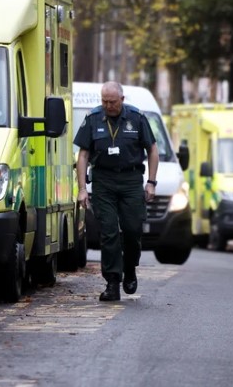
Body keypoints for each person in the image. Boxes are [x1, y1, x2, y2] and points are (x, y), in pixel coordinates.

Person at [74, 81, 159, 301]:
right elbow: (83, 155)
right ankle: (112, 282)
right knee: (109, 232)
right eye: (104, 101)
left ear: (122, 99)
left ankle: (129, 269)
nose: (108, 105)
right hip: (104, 181)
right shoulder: (93, 119)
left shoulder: (136, 118)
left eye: (112, 101)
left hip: (131, 180)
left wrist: (151, 182)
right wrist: (82, 188)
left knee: (132, 230)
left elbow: (152, 149)